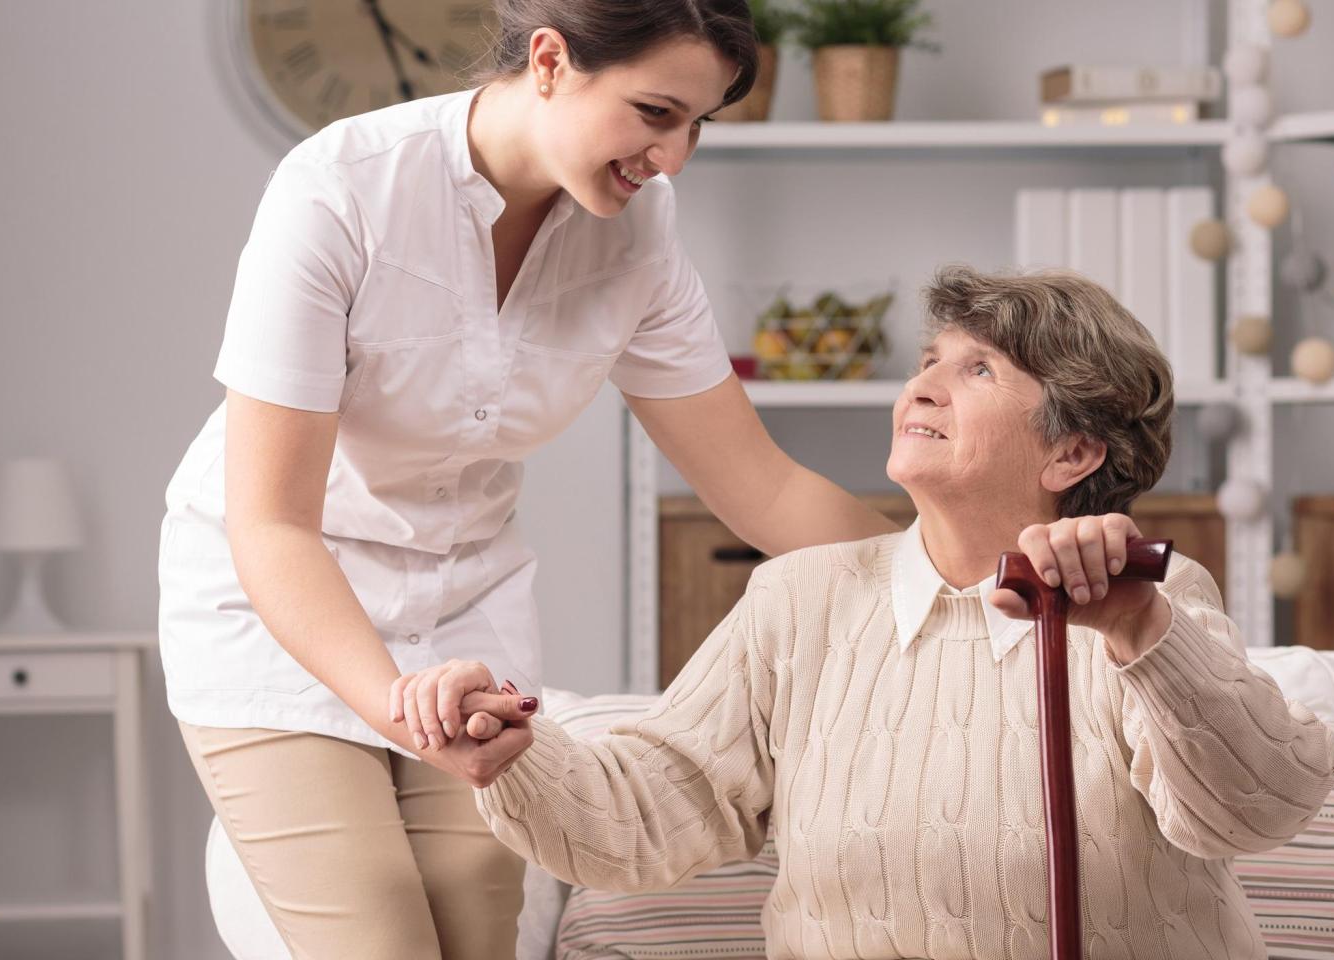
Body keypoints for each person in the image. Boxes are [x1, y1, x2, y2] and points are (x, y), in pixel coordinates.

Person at [158, 2, 901, 957]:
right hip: (280, 609)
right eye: (655, 112)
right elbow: (273, 526)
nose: (672, 158)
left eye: (697, 125)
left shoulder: (637, 237)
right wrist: (399, 703)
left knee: (476, 925)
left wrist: (966, 577)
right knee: (380, 938)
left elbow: (761, 487)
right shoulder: (342, 190)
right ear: (549, 61)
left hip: (465, 612)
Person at [397, 266, 1334, 960]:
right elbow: (652, 810)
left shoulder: (1153, 601)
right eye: (930, 361)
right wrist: (517, 753)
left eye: (979, 372)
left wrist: (1140, 633)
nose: (922, 386)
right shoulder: (800, 601)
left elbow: (1258, 809)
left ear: (1072, 455)